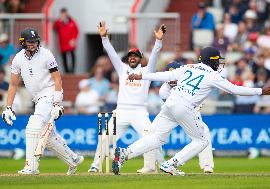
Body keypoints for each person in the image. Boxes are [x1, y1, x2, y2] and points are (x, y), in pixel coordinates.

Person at [112, 47, 270, 176]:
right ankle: (171, 164)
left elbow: (164, 76)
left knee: (156, 138)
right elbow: (234, 89)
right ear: (211, 61)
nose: (219, 63)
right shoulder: (212, 75)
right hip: (184, 107)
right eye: (217, 60)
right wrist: (261, 91)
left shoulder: (188, 67)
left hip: (170, 103)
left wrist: (142, 76)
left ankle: (124, 154)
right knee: (202, 141)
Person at [1, 28, 83, 175]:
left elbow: (57, 79)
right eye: (29, 42)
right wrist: (8, 107)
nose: (33, 44)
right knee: (48, 137)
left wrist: (57, 103)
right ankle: (73, 159)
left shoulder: (46, 54)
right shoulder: (18, 59)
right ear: (22, 42)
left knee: (32, 127)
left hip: (50, 93)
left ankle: (31, 167)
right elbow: (13, 84)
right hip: (38, 98)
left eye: (34, 41)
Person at [88, 21, 166, 174]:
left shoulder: (147, 71)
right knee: (105, 137)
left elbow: (155, 56)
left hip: (140, 112)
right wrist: (104, 38)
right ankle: (96, 165)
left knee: (150, 138)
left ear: (140, 58)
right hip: (121, 111)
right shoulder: (122, 69)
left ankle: (156, 166)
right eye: (130, 55)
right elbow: (111, 53)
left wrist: (158, 41)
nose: (132, 58)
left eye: (135, 56)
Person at [159, 61, 214, 173]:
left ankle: (207, 165)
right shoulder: (163, 90)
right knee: (155, 135)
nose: (172, 80)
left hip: (189, 111)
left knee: (204, 133)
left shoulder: (190, 83)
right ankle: (155, 164)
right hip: (172, 113)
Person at [54, 8, 79, 73]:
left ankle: (72, 70)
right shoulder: (59, 22)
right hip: (62, 43)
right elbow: (54, 27)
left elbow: (76, 30)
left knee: (72, 56)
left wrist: (74, 39)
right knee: (64, 57)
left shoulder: (71, 21)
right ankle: (66, 71)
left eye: (64, 13)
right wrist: (59, 21)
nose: (63, 15)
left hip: (71, 43)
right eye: (62, 14)